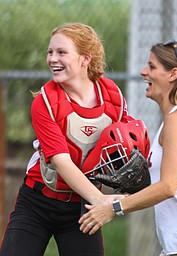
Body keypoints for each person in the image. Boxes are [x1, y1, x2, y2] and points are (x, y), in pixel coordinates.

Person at [79, 40, 177, 256]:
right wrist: (117, 199)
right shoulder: (173, 119)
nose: (143, 72)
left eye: (152, 66)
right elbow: (165, 185)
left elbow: (168, 187)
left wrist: (115, 210)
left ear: (173, 74)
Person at [0, 22, 130, 256]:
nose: (52, 59)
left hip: (81, 208)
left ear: (85, 59)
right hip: (37, 202)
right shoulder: (45, 102)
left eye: (62, 52)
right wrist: (100, 199)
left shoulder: (113, 98)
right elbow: (61, 162)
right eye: (50, 52)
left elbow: (126, 144)